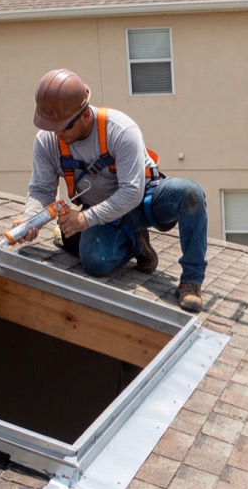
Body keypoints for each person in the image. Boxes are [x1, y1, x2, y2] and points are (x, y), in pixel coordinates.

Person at [15, 69, 208, 312]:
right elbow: (42, 189)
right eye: (50, 126)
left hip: (144, 202)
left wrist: (85, 219)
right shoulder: (47, 141)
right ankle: (137, 244)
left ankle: (191, 281)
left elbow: (132, 192)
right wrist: (30, 219)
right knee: (95, 262)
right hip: (104, 212)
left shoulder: (120, 130)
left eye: (62, 127)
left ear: (85, 115)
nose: (56, 134)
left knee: (190, 193)